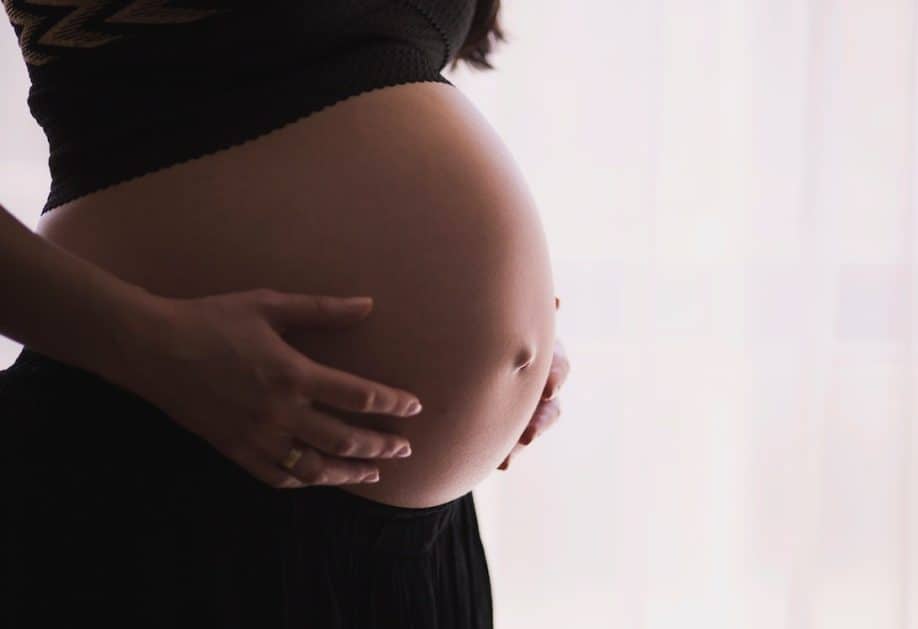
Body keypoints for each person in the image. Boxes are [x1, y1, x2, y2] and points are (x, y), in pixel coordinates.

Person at [0, 1, 571, 627]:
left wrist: (506, 339)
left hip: (421, 542)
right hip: (149, 471)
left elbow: (366, 63)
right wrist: (155, 349)